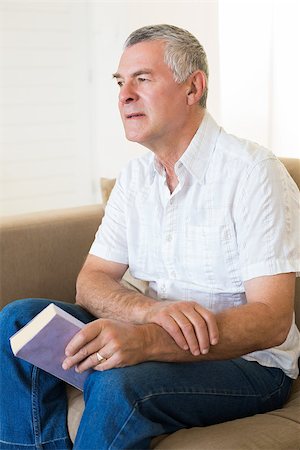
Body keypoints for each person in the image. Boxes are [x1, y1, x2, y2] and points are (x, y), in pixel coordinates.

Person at [0, 24, 299, 450]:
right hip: (153, 331)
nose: (123, 96)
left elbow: (271, 319)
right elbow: (91, 280)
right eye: (120, 82)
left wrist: (148, 341)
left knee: (119, 384)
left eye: (142, 79)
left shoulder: (253, 173)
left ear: (193, 87)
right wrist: (147, 313)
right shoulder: (136, 178)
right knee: (17, 324)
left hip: (249, 366)